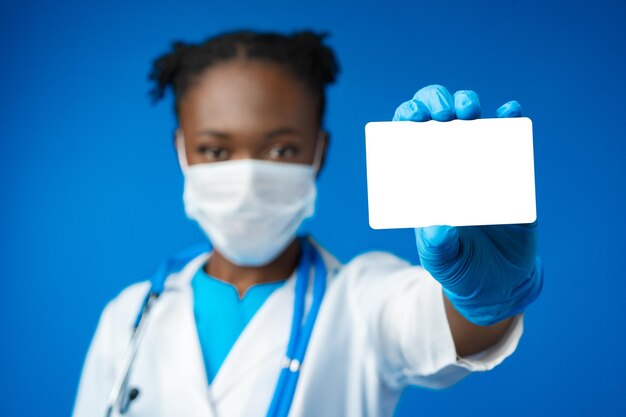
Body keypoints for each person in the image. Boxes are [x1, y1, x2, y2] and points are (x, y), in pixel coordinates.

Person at [72, 30, 543, 417]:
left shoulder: (363, 300)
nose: (248, 176)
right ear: (181, 150)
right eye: (215, 150)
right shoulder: (129, 318)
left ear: (319, 152)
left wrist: (482, 300)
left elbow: (438, 324)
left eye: (281, 150)